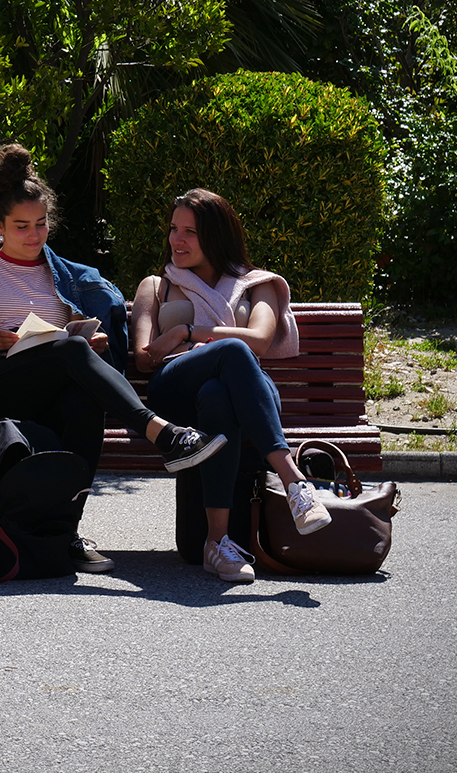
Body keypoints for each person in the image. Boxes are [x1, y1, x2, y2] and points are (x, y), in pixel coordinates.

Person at [0, 144, 226, 574]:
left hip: (44, 390)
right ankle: (163, 434)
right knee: (68, 351)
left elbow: (65, 347)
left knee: (83, 399)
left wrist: (88, 346)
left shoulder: (63, 278)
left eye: (41, 224)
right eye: (21, 227)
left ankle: (66, 532)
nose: (34, 236)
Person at [131, 188, 332, 584]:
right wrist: (187, 347)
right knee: (231, 352)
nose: (177, 239)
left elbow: (258, 340)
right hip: (176, 392)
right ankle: (294, 482)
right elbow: (144, 356)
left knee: (220, 392)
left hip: (244, 391)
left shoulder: (259, 284)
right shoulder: (156, 286)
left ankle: (217, 544)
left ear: (217, 235)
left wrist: (187, 332)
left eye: (190, 231)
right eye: (174, 229)